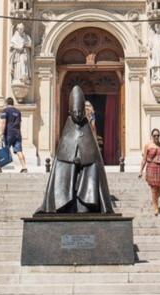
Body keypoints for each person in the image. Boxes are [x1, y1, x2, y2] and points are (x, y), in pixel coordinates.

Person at [36, 84, 113, 214]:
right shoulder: (67, 133)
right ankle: (65, 202)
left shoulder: (87, 131)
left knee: (92, 169)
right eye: (75, 112)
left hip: (86, 185)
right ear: (70, 112)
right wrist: (73, 160)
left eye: (80, 112)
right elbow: (63, 159)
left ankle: (85, 201)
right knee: (62, 168)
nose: (78, 115)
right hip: (67, 192)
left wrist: (82, 159)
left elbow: (92, 159)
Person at [0, 97, 27, 172]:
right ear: (12, 103)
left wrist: (2, 133)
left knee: (5, 150)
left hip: (8, 133)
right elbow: (19, 124)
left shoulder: (5, 111)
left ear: (6, 103)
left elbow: (3, 123)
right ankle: (24, 167)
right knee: (19, 151)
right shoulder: (18, 112)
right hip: (17, 133)